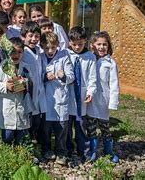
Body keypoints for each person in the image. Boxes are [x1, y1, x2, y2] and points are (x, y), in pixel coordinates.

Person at [0, 37, 33, 145]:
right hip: (5, 109)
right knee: (7, 136)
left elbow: (31, 83)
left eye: (19, 52)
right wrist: (6, 86)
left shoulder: (26, 67)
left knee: (20, 136)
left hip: (21, 107)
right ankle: (6, 157)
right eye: (13, 52)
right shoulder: (0, 68)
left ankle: (19, 157)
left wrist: (23, 83)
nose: (16, 55)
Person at [40, 32, 74, 165]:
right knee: (46, 127)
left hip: (60, 96)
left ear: (57, 46)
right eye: (47, 48)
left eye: (53, 48)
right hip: (46, 98)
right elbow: (37, 74)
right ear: (42, 46)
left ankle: (61, 152)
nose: (50, 51)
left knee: (61, 127)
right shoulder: (40, 57)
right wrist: (45, 76)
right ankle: (47, 149)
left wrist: (63, 75)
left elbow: (72, 77)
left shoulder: (64, 57)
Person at [87, 31, 120, 163]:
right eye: (98, 44)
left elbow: (114, 84)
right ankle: (92, 151)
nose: (101, 47)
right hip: (90, 100)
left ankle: (108, 150)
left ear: (108, 46)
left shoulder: (110, 63)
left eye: (104, 44)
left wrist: (113, 102)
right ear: (92, 45)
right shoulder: (89, 59)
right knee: (90, 127)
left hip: (103, 101)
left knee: (105, 127)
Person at [65, 26, 97, 161]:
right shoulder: (65, 54)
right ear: (69, 42)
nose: (77, 47)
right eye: (74, 44)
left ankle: (84, 151)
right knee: (66, 127)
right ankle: (67, 149)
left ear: (85, 41)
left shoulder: (90, 57)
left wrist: (90, 92)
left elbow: (92, 78)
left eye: (80, 44)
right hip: (67, 96)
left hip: (82, 98)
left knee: (80, 126)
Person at [20, 22, 45, 148]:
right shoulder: (22, 51)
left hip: (38, 92)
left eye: (36, 36)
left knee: (36, 121)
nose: (33, 39)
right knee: (26, 121)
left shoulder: (39, 51)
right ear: (23, 37)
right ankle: (25, 148)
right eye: (30, 36)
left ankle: (33, 146)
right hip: (26, 91)